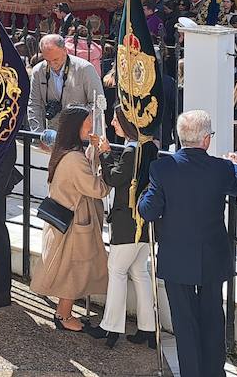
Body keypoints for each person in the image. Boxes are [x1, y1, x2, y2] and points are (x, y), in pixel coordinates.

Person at [139, 110, 237, 377]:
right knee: (212, 317)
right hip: (212, 254)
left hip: (177, 256)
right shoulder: (221, 168)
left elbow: (149, 210)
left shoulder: (162, 168)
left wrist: (143, 196)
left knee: (184, 323)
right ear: (206, 140)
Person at [30, 105, 111, 332]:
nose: (90, 126)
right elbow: (97, 189)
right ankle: (64, 316)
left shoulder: (64, 151)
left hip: (64, 218)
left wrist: (93, 151)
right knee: (72, 271)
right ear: (77, 126)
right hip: (74, 224)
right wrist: (108, 163)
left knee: (69, 269)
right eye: (87, 122)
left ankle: (63, 313)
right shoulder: (74, 158)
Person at [98, 106, 158, 348]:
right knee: (139, 272)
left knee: (117, 271)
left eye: (116, 119)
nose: (113, 123)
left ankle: (111, 327)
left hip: (127, 220)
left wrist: (105, 154)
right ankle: (148, 326)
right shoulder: (150, 147)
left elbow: (113, 178)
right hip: (144, 221)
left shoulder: (131, 150)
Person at [27, 34, 106, 134]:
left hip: (84, 135)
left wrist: (78, 124)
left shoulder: (85, 68)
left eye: (56, 59)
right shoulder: (38, 71)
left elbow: (99, 103)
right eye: (47, 60)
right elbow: (34, 105)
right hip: (54, 137)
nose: (52, 64)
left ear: (65, 50)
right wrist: (38, 135)